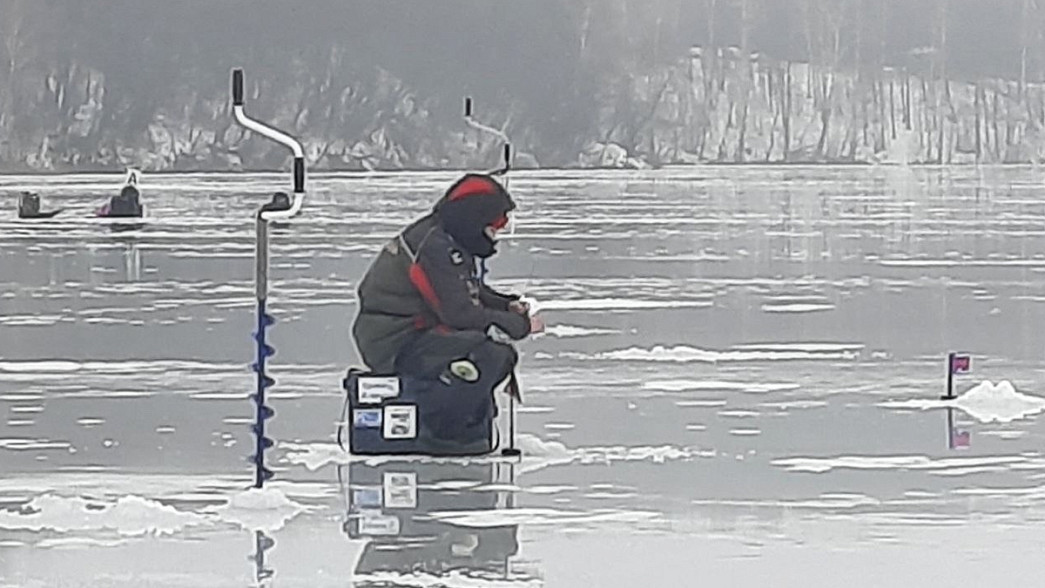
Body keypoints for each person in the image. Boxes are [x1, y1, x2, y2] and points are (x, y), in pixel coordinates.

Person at [352, 173, 543, 443]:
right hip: (395, 342)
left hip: (405, 334)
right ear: (474, 218)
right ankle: (444, 428)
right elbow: (459, 314)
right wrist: (520, 325)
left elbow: (464, 289)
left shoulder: (443, 239)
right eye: (493, 226)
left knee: (485, 350)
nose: (496, 233)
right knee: (490, 353)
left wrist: (505, 305)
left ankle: (460, 420)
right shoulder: (435, 247)